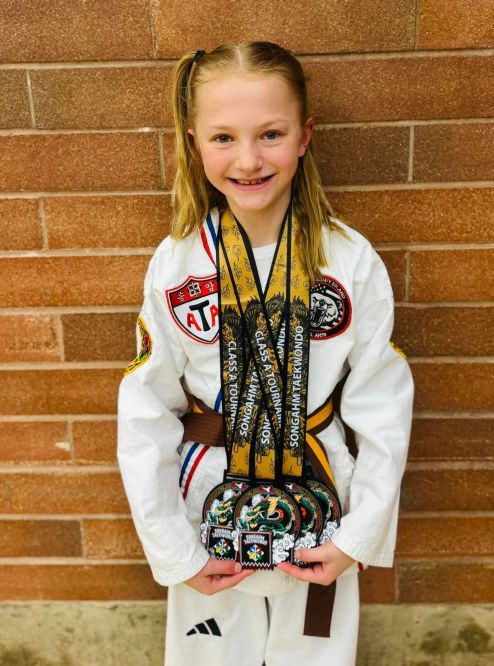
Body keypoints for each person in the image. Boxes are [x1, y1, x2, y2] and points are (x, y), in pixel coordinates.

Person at [117, 41, 414, 666]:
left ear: (305, 137)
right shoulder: (178, 262)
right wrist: (174, 549)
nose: (249, 159)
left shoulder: (348, 259)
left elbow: (383, 405)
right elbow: (145, 410)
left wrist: (358, 536)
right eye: (224, 137)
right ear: (194, 143)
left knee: (314, 656)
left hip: (320, 499)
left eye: (270, 134)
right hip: (210, 506)